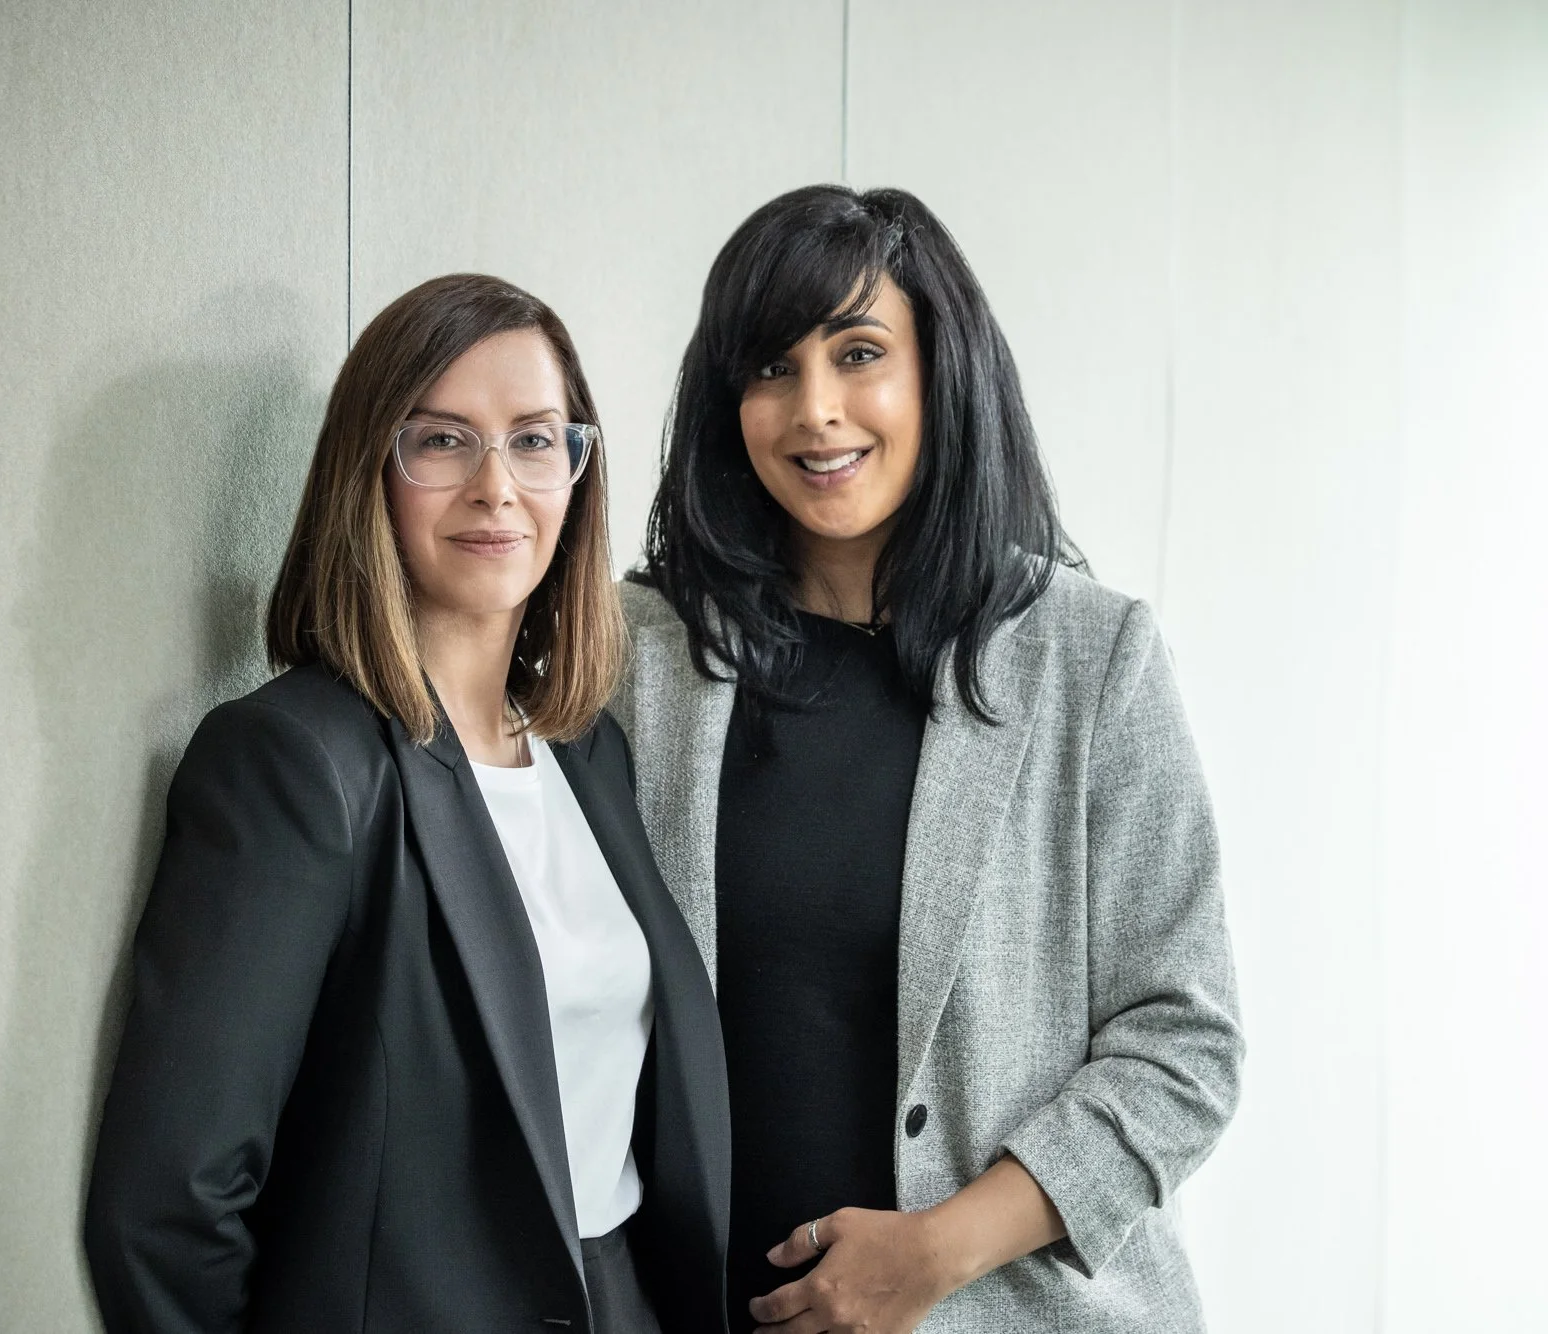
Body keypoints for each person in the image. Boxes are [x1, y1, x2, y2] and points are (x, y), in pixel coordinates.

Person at [613, 185, 1244, 1333]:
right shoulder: (641, 657)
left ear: (938, 372)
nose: (814, 411)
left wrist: (930, 1254)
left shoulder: (1089, 659)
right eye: (768, 367)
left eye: (858, 354)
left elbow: (1183, 1042)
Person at [83, 273, 728, 1334]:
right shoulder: (292, 762)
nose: (496, 486)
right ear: (367, 470)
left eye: (533, 439)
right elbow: (167, 1200)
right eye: (440, 441)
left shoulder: (584, 751)